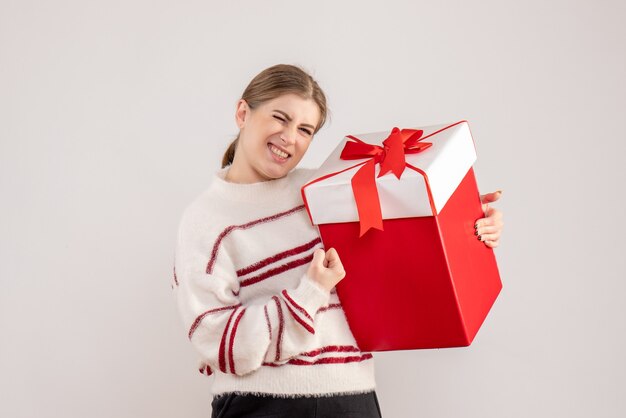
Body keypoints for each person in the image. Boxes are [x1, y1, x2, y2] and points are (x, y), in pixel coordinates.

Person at [171, 64, 504, 418]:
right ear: (243, 113)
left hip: (352, 398)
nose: (290, 137)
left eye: (305, 130)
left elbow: (408, 245)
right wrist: (309, 293)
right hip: (261, 405)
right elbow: (216, 342)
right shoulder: (204, 221)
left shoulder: (328, 192)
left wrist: (469, 223)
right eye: (280, 118)